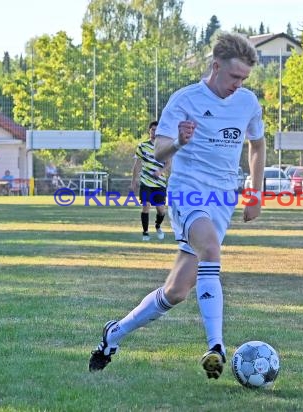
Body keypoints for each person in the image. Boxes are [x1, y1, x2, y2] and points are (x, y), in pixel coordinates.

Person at [89, 33, 266, 380]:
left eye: (244, 79)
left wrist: (256, 193)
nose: (238, 85)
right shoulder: (185, 100)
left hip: (222, 200)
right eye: (234, 77)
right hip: (188, 194)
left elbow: (257, 146)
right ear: (215, 67)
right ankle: (216, 347)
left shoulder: (247, 102)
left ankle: (113, 335)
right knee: (211, 249)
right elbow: (158, 151)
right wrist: (180, 142)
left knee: (176, 291)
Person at [130, 121, 170, 241]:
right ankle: (145, 232)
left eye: (157, 130)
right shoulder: (142, 146)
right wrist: (134, 180)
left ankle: (157, 226)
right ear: (149, 131)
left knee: (161, 210)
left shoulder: (164, 146)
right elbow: (137, 164)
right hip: (146, 181)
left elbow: (168, 163)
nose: (154, 132)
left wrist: (160, 171)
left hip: (159, 183)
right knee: (146, 205)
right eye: (152, 129)